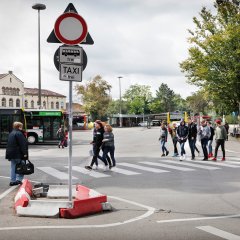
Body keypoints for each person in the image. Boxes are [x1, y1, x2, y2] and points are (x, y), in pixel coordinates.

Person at [5, 122, 28, 186]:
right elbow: (23, 145)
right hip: (18, 154)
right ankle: (19, 180)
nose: (22, 127)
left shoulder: (11, 133)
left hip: (11, 154)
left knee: (13, 167)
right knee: (22, 166)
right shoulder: (19, 133)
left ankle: (12, 181)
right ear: (19, 127)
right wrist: (25, 153)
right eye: (21, 126)